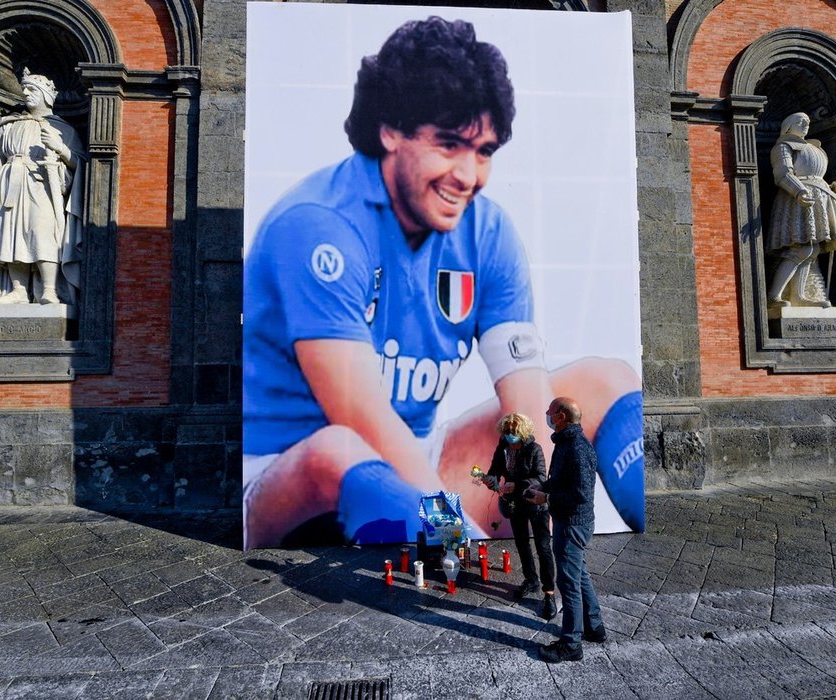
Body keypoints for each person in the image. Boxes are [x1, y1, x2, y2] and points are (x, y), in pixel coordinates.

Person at [243, 16, 646, 549]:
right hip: (280, 473)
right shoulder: (318, 224)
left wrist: (547, 520)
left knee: (601, 381)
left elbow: (527, 404)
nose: (468, 174)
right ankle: (456, 556)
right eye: (450, 144)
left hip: (415, 459)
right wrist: (463, 533)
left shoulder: (489, 231)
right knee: (338, 447)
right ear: (389, 131)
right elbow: (362, 423)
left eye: (483, 152)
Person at [0, 68, 84, 306]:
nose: (26, 93)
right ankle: (18, 291)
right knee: (11, 236)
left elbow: (80, 163)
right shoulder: (9, 125)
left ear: (46, 95)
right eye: (24, 89)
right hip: (9, 182)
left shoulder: (63, 129)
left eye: (32, 89)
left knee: (43, 233)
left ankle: (50, 290)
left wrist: (60, 148)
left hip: (42, 185)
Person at [525, 397, 607, 663]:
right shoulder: (565, 442)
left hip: (573, 524)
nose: (546, 415)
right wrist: (542, 489)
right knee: (579, 575)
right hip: (568, 520)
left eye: (549, 411)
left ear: (561, 416)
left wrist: (546, 500)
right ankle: (594, 627)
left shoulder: (577, 448)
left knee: (568, 584)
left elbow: (581, 494)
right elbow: (560, 482)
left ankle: (571, 643)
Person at [765, 111, 836, 308]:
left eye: (807, 121)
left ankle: (798, 296)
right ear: (788, 125)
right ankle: (774, 296)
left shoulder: (815, 148)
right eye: (800, 121)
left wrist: (833, 189)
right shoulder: (783, 146)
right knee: (802, 248)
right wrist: (797, 191)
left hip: (818, 199)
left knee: (813, 250)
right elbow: (782, 173)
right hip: (797, 199)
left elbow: (817, 178)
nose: (805, 124)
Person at [480, 412, 556, 619]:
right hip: (514, 503)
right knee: (522, 543)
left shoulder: (534, 449)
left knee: (543, 547)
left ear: (522, 432)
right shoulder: (502, 447)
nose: (509, 436)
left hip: (535, 503)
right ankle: (531, 580)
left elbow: (541, 477)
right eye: (506, 432)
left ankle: (549, 593)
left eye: (513, 432)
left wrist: (518, 484)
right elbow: (495, 471)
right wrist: (491, 482)